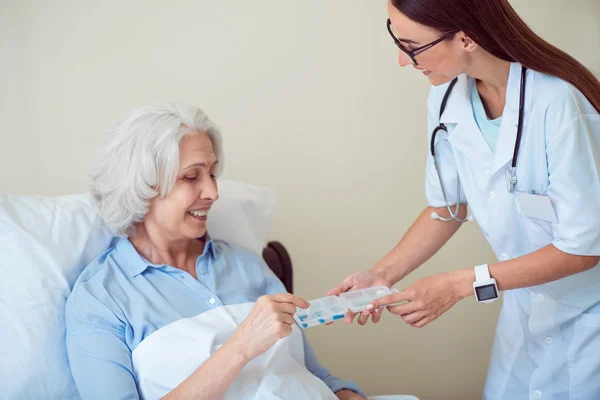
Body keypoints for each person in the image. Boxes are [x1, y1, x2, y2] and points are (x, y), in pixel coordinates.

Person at [328, 1, 600, 399]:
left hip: (589, 318)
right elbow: (446, 208)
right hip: (525, 315)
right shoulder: (446, 98)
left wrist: (460, 284)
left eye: (412, 46)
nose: (404, 61)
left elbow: (584, 249)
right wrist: (382, 276)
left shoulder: (558, 102)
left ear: (466, 38)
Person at [65, 103, 366, 400]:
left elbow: (313, 375)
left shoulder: (246, 264)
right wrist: (239, 347)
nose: (213, 193)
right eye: (191, 177)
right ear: (142, 185)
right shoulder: (101, 298)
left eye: (212, 174)